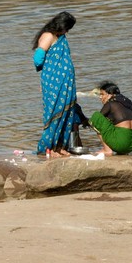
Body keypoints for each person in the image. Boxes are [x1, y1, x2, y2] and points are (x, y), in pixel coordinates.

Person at [32, 11, 83, 156]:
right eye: (67, 28)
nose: (67, 31)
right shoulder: (48, 36)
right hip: (54, 80)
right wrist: (52, 72)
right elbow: (38, 58)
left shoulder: (61, 36)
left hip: (66, 82)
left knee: (67, 112)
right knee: (55, 111)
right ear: (60, 25)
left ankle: (60, 146)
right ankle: (49, 148)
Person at [89, 80, 132, 155]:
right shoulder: (126, 103)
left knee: (96, 117)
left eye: (102, 94)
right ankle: (122, 152)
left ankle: (107, 149)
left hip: (121, 143)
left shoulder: (111, 104)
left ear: (110, 95)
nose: (100, 97)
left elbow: (98, 120)